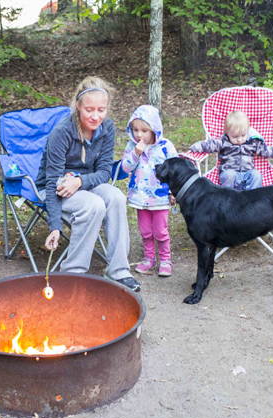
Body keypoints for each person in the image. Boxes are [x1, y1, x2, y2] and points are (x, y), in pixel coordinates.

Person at [35, 76, 141, 292]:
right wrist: (55, 226)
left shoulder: (107, 128)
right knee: (94, 204)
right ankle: (73, 273)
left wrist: (80, 181)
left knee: (116, 197)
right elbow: (51, 181)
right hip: (55, 187)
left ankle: (119, 270)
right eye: (89, 110)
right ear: (78, 106)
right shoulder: (62, 132)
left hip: (85, 182)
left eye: (101, 110)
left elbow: (103, 172)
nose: (95, 116)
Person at [121, 105, 178, 277]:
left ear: (154, 129)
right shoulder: (132, 146)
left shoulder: (166, 147)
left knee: (160, 230)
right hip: (140, 197)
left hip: (160, 198)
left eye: (144, 130)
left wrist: (174, 191)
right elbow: (125, 168)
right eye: (135, 130)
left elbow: (176, 171)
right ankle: (149, 258)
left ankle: (166, 259)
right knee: (145, 230)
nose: (139, 135)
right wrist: (135, 154)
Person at [189, 111, 273, 190]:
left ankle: (254, 200)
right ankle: (227, 200)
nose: (239, 139)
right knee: (229, 174)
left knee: (256, 174)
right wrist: (194, 148)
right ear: (227, 132)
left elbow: (268, 150)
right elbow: (208, 144)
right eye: (235, 136)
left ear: (247, 131)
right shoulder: (223, 142)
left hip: (247, 175)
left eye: (243, 135)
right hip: (230, 176)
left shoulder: (252, 142)